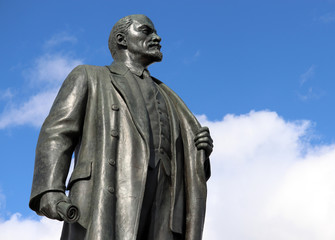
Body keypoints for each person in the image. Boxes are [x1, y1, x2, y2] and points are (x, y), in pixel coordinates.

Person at [29, 14, 213, 240]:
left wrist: (199, 151)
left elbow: (181, 158)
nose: (157, 37)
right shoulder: (90, 76)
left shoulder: (169, 98)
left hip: (165, 203)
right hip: (109, 190)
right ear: (122, 39)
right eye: (147, 31)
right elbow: (57, 133)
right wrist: (50, 189)